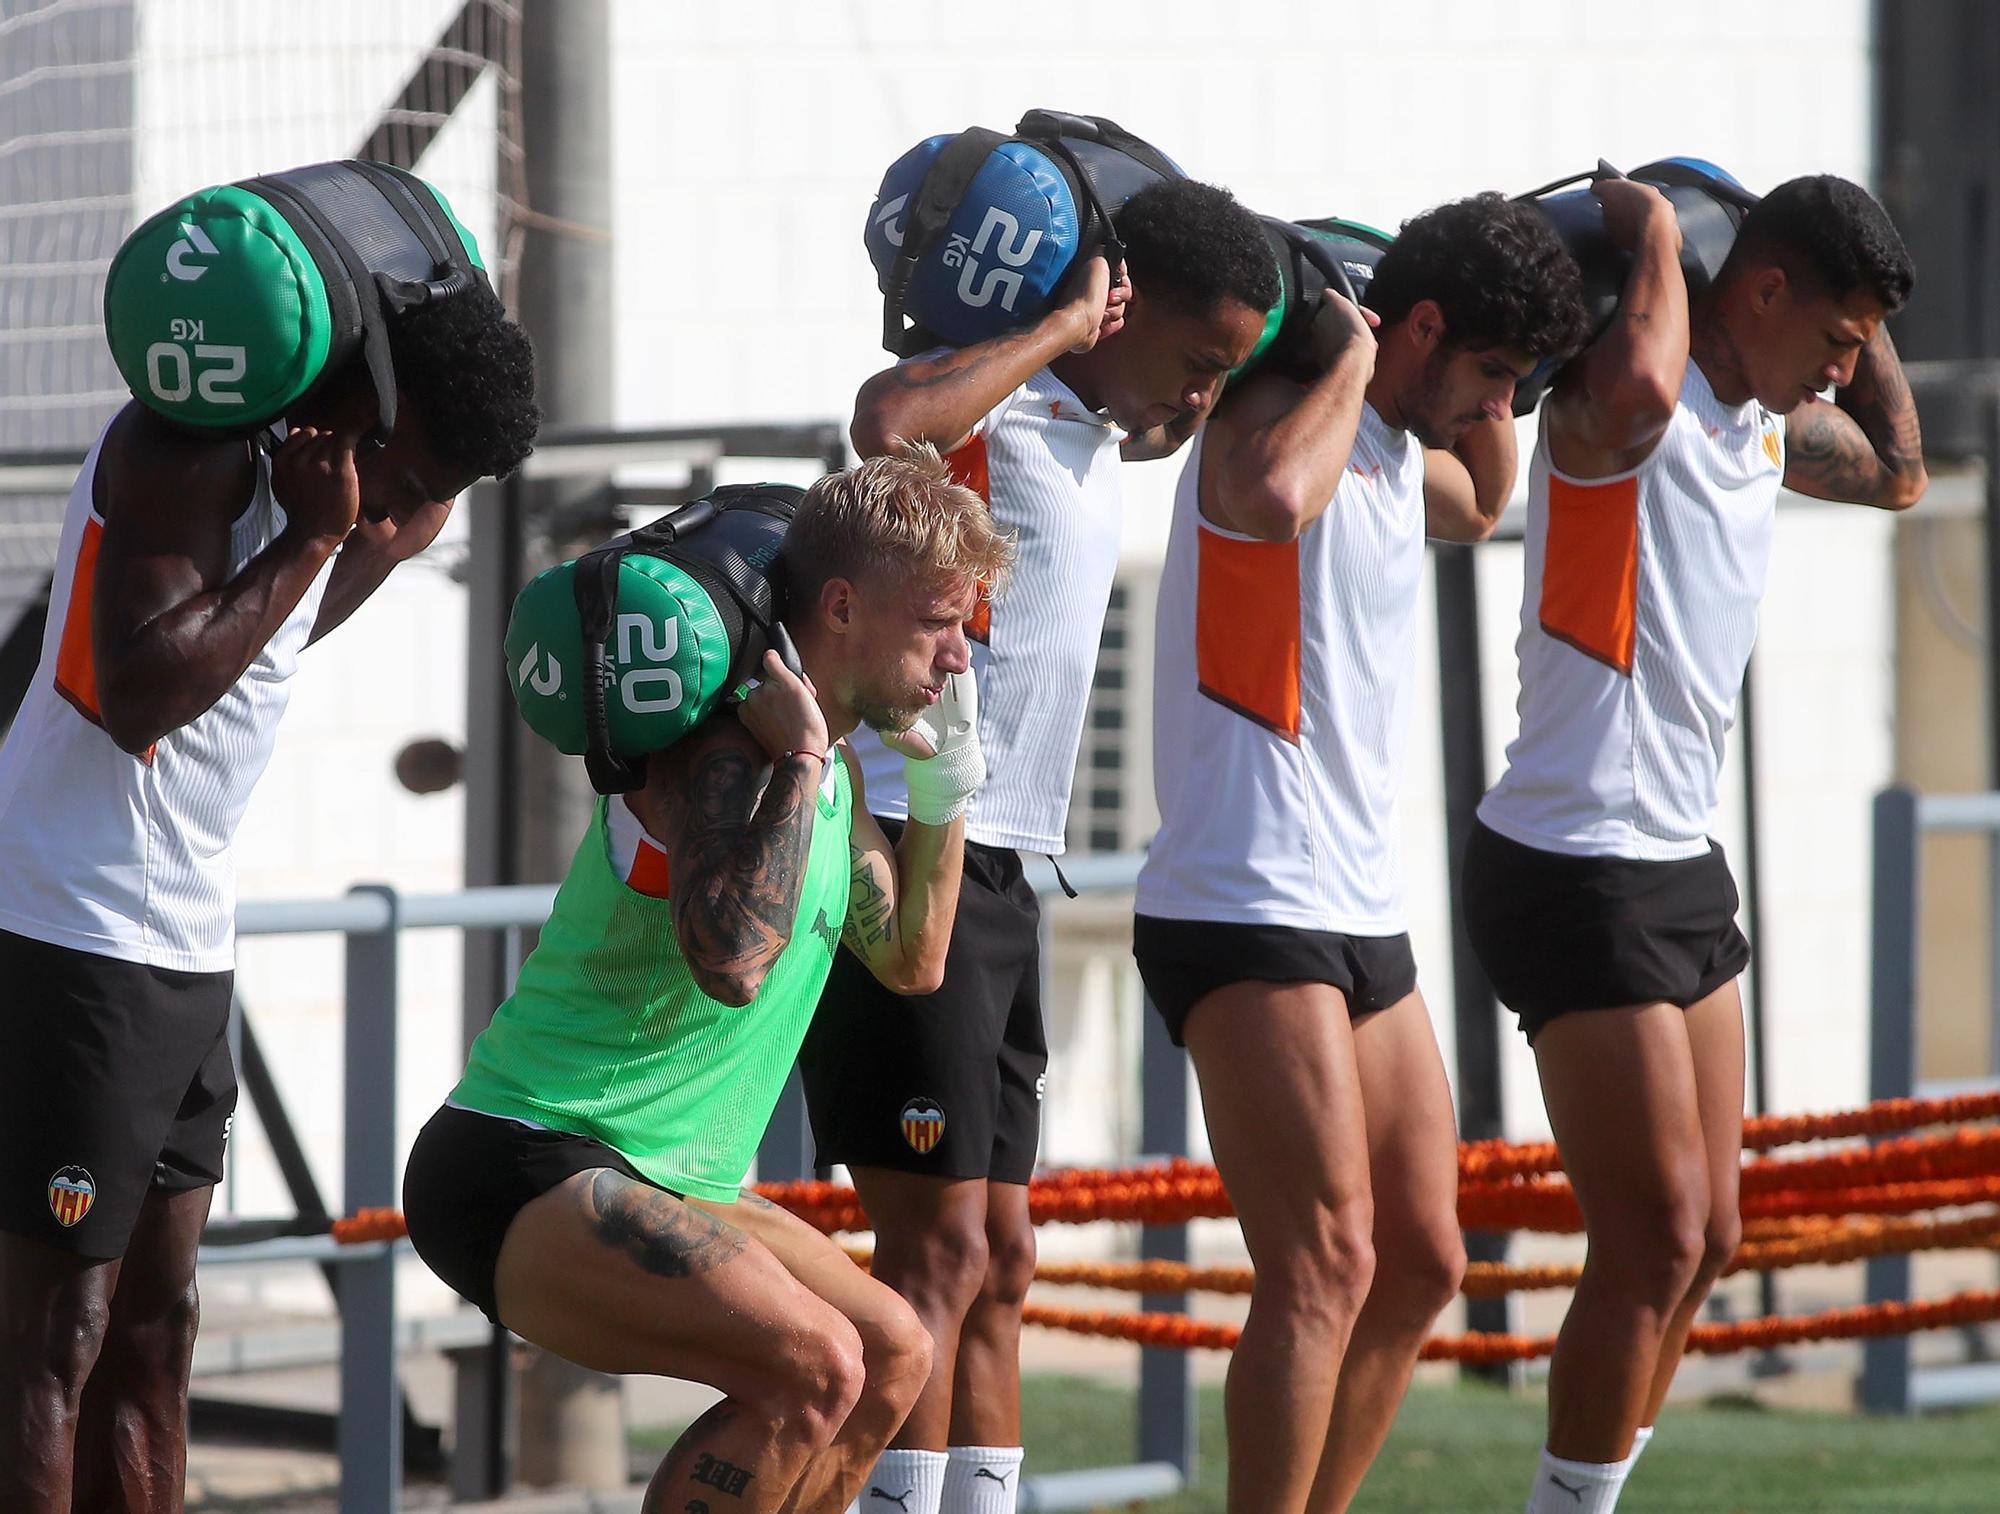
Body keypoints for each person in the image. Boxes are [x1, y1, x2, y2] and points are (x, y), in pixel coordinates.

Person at [0, 247, 537, 1511]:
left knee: (158, 1322)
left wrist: (371, 539)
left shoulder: (328, 488)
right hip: (69, 923)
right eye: (413, 476)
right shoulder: (184, 451)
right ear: (368, 407)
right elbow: (144, 694)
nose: (408, 508)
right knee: (52, 1337)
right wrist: (313, 537)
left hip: (182, 937)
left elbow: (266, 644)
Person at [403, 446, 1015, 1514]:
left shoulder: (816, 765)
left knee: (891, 1350)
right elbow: (732, 962)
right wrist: (810, 763)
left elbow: (912, 958)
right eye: (936, 622)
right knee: (814, 1363)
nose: (956, 657)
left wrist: (942, 781)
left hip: (673, 1176)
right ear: (840, 606)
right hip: (527, 1154)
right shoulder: (721, 753)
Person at [800, 176, 1277, 1514]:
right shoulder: (998, 397)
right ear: (1110, 313)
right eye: (1191, 362)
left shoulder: (1090, 429)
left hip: (1004, 863)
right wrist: (1063, 321)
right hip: (910, 841)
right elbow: (884, 419)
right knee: (935, 1249)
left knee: (1001, 1248)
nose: (1198, 400)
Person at [1462, 174, 1926, 1514]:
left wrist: (1858, 294)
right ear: (1757, 292)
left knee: (1713, 1236)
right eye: (1832, 335)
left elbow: (1899, 471)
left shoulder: (1765, 430)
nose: (1845, 367)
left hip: (1672, 856)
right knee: (1653, 1236)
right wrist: (1668, 229)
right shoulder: (1611, 410)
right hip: (1568, 855)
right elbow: (1651, 389)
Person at [1132, 193, 1587, 1514]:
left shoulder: (1393, 450)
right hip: (1242, 895)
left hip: (1357, 909)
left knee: (1426, 1259)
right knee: (1323, 1263)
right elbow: (1275, 496)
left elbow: (1486, 497)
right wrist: (1344, 344)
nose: (1494, 404)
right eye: (1490, 372)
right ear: (1417, 329)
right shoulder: (1259, 429)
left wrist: (1504, 379)